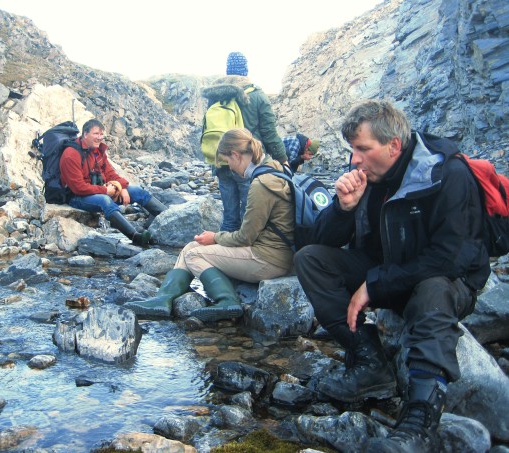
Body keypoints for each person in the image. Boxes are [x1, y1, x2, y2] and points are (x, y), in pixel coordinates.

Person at [293, 100, 490, 452]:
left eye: (362, 149)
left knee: (432, 290)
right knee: (310, 260)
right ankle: (370, 363)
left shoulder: (446, 173)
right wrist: (342, 209)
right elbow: (316, 242)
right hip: (387, 271)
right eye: (352, 149)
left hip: (445, 281)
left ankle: (419, 422)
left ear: (394, 146)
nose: (355, 159)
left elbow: (451, 258)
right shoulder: (368, 175)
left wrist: (375, 284)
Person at [125, 128, 294, 322]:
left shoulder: (260, 185)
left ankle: (228, 301)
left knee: (194, 254)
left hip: (269, 260)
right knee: (191, 246)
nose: (229, 167)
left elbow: (245, 237)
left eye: (228, 160)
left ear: (236, 155)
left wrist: (215, 237)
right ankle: (163, 299)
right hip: (278, 253)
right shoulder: (274, 168)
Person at [201, 51, 288, 232]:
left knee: (230, 216)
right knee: (250, 215)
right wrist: (282, 158)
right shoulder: (256, 95)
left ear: (227, 71)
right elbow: (269, 132)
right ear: (246, 70)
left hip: (223, 161)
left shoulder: (216, 96)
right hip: (248, 163)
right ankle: (245, 255)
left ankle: (223, 255)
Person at [60, 119, 167, 246]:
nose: (100, 138)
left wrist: (122, 187)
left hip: (100, 191)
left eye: (101, 134)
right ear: (85, 134)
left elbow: (111, 174)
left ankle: (169, 218)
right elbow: (78, 188)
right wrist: (105, 191)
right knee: (105, 201)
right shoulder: (70, 154)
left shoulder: (97, 152)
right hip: (76, 197)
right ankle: (135, 237)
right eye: (96, 134)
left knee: (138, 191)